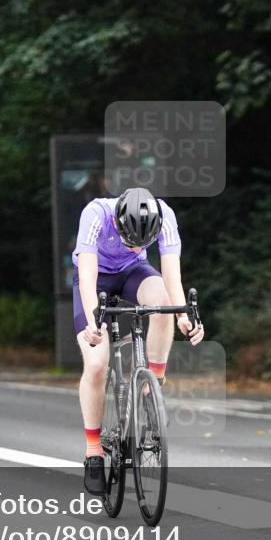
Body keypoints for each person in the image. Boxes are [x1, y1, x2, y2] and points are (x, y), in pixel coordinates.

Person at [72, 187, 204, 495]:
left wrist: (183, 316)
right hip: (96, 277)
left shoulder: (165, 215)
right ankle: (93, 452)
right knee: (96, 364)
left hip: (133, 273)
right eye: (130, 241)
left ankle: (151, 386)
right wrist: (93, 322)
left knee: (162, 304)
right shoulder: (96, 214)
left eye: (142, 243)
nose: (135, 247)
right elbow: (87, 277)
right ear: (118, 224)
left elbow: (172, 276)